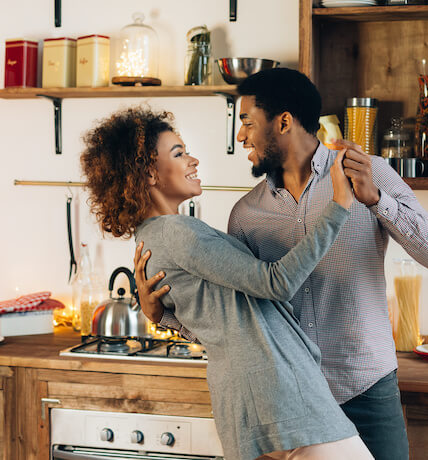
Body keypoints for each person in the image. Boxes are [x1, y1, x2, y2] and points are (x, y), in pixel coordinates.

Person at [135, 68, 428, 460]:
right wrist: (163, 316)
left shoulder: (368, 173)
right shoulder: (246, 215)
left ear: (284, 122)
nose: (241, 137)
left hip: (367, 388)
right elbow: (242, 328)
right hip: (290, 405)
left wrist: (376, 200)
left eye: (247, 123)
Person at [80, 106, 374, 460]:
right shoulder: (178, 233)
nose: (193, 160)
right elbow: (276, 282)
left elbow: (219, 322)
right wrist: (340, 203)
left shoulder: (153, 239)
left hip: (248, 406)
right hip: (283, 399)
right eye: (179, 153)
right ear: (149, 174)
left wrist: (161, 317)